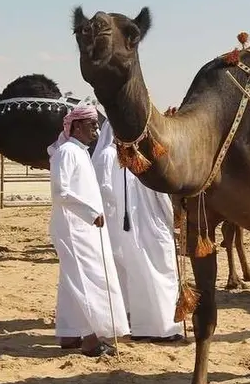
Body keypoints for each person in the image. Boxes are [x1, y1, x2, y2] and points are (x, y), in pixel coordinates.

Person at [47, 105, 130, 357]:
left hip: (85, 227)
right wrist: (90, 213)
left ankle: (69, 334)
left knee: (73, 279)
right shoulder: (67, 152)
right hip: (74, 227)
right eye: (92, 125)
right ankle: (91, 340)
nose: (96, 129)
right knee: (85, 279)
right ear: (77, 126)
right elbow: (60, 192)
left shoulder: (80, 152)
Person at [91, 120, 183, 342]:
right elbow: (160, 194)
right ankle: (164, 329)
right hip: (144, 227)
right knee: (160, 272)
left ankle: (143, 327)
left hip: (131, 229)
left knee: (140, 275)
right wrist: (172, 223)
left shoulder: (119, 157)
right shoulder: (115, 157)